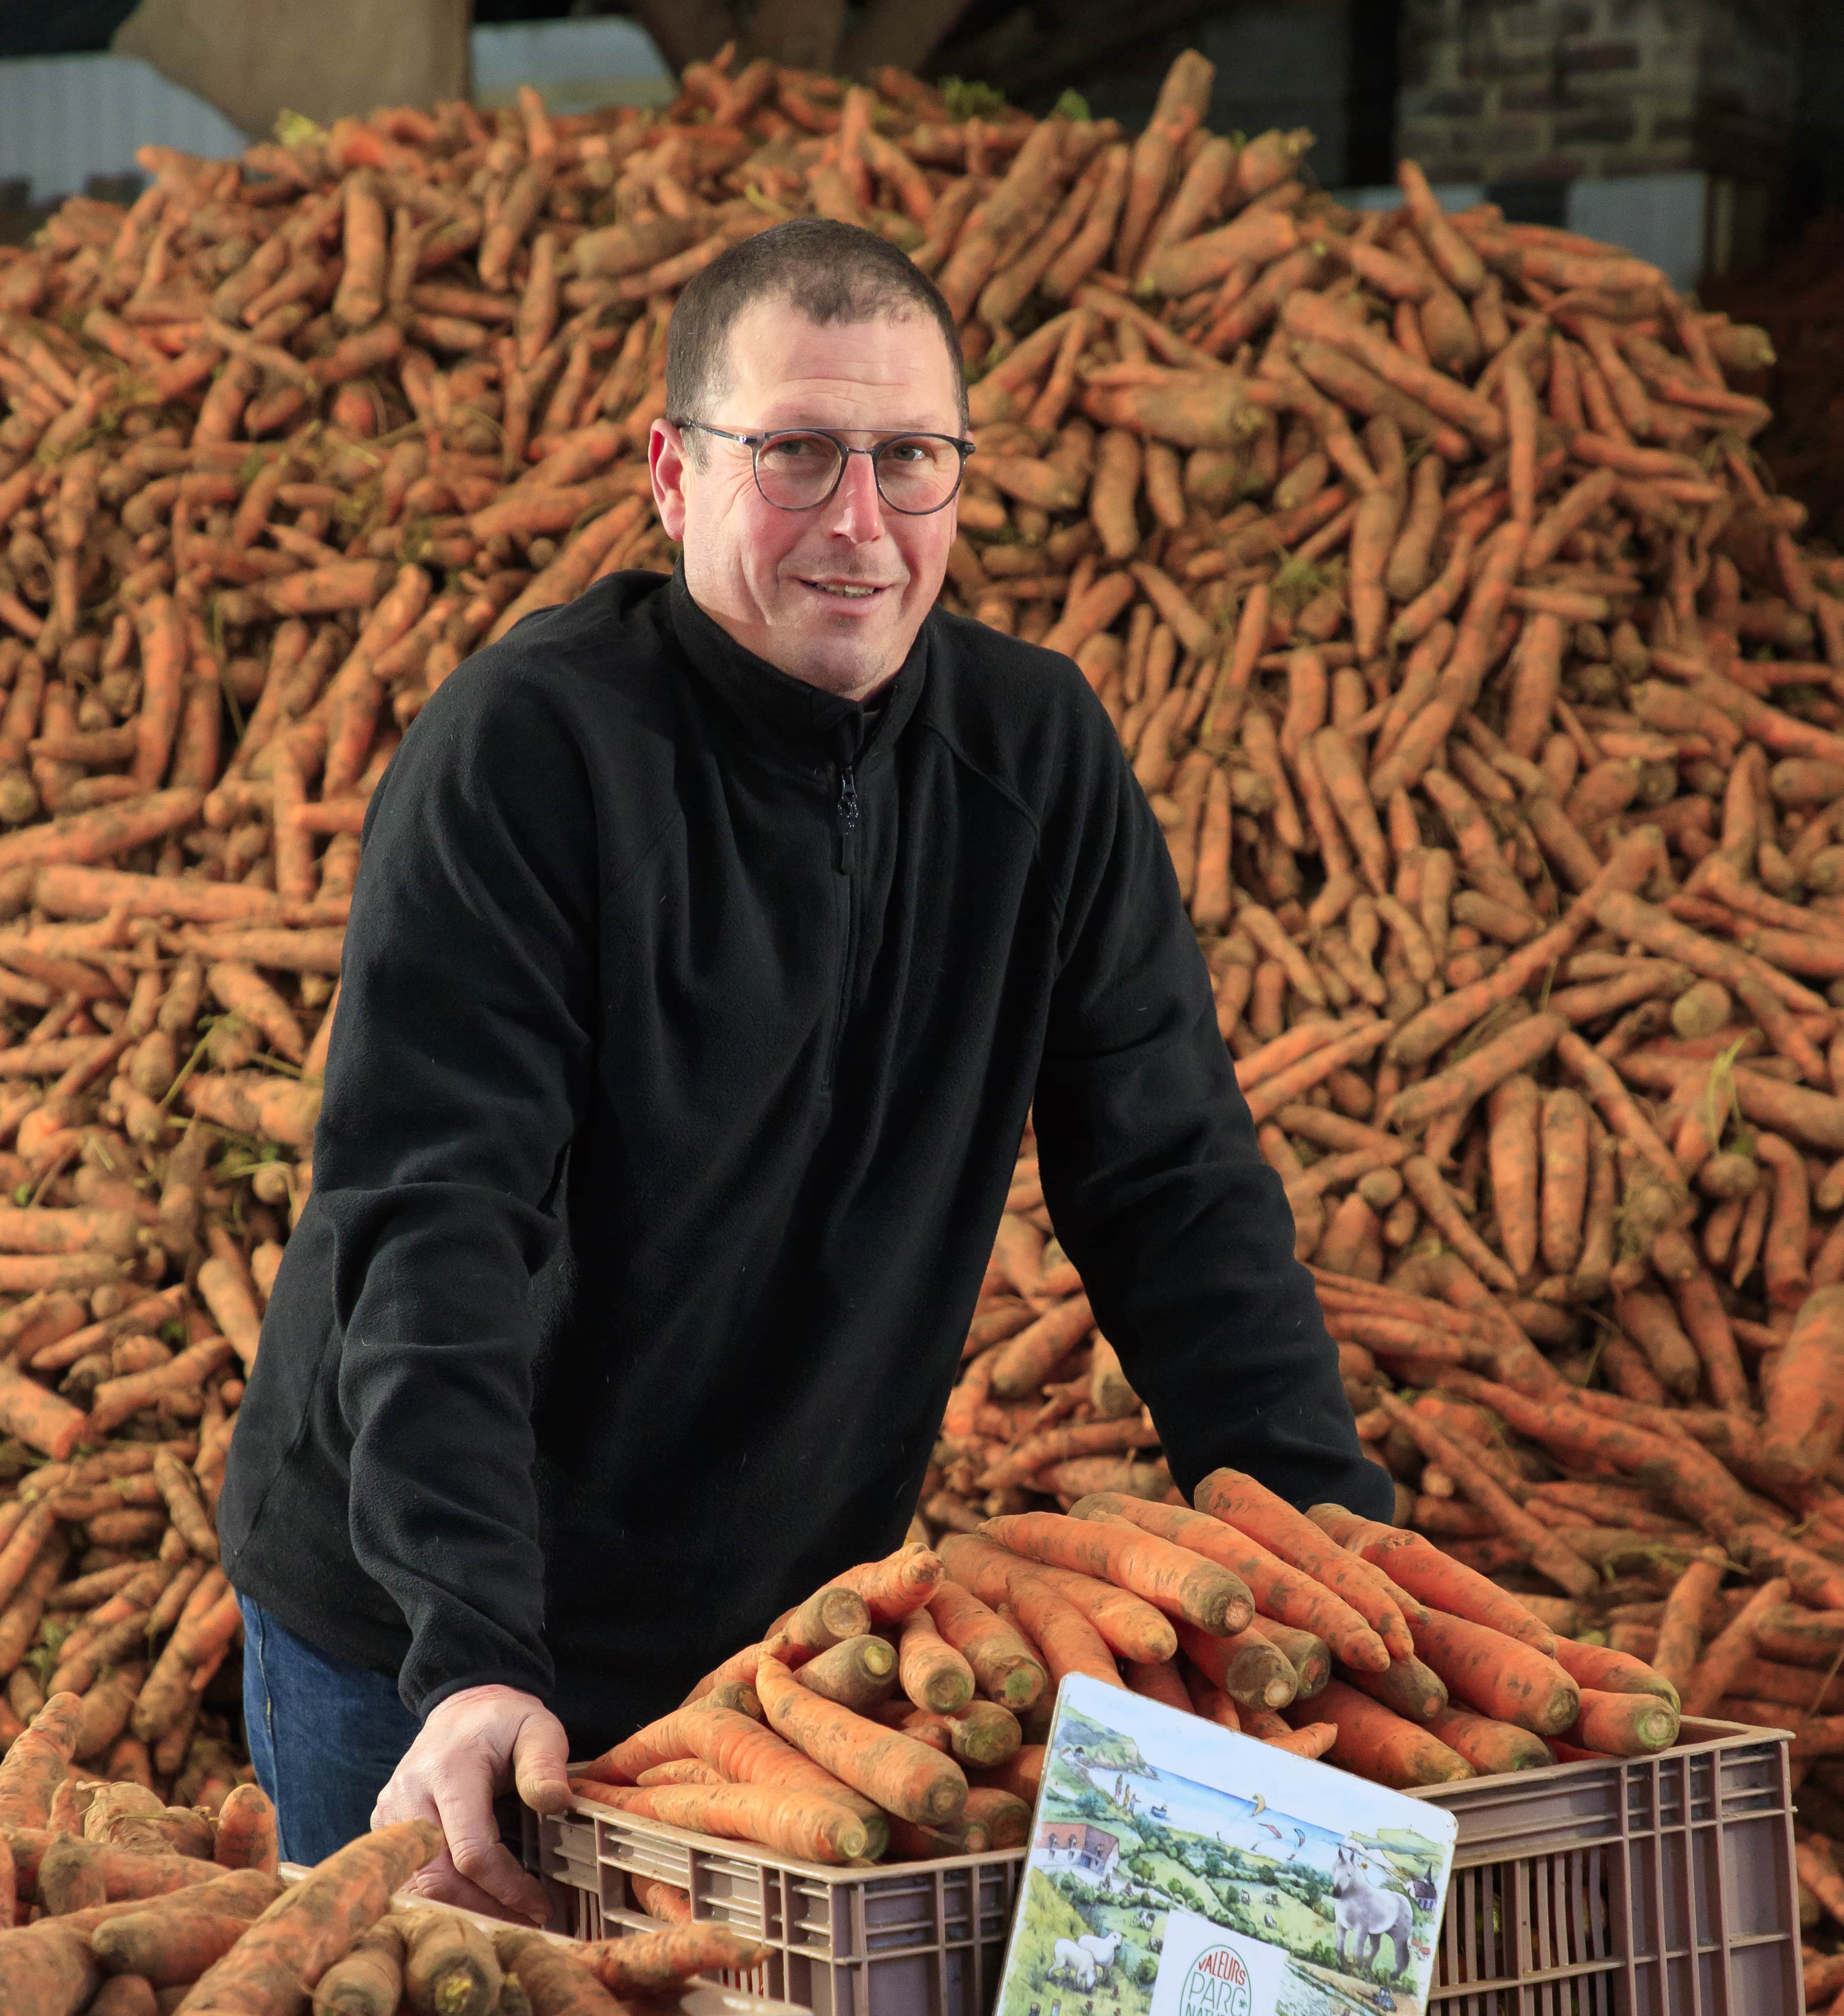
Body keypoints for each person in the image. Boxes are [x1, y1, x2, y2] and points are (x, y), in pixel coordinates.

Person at [221, 216, 1391, 1914]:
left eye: (910, 459)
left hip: (785, 1655)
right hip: (419, 1623)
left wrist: (1338, 1560)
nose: (860, 522)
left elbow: (1175, 1190)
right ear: (674, 475)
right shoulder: (529, 754)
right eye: (797, 456)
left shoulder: (1035, 755)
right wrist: (472, 1655)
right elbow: (435, 1220)